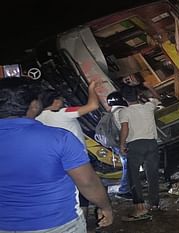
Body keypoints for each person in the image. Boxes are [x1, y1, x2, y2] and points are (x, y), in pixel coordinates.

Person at [0, 78, 113, 232]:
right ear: (33, 105)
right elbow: (87, 183)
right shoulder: (60, 137)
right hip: (58, 224)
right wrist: (105, 206)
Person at [36, 79, 100, 217]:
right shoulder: (64, 112)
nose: (62, 102)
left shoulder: (36, 117)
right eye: (59, 100)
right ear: (54, 102)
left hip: (52, 160)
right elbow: (93, 105)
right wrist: (92, 88)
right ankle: (83, 218)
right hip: (75, 158)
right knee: (83, 186)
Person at [119, 82, 162, 221]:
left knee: (134, 176)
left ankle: (140, 208)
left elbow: (124, 129)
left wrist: (122, 144)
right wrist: (149, 86)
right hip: (151, 144)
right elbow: (157, 97)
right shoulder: (148, 106)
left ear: (124, 98)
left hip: (135, 145)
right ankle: (154, 204)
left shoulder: (124, 111)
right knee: (153, 175)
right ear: (138, 95)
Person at [106, 91, 133, 200]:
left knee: (128, 165)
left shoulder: (112, 111)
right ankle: (124, 190)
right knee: (128, 166)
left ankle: (127, 187)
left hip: (115, 143)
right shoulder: (121, 111)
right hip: (122, 142)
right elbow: (123, 129)